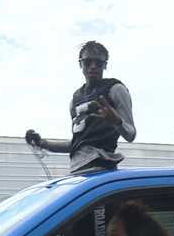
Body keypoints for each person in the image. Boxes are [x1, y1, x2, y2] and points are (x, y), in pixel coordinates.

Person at [25, 41, 136, 173]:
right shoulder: (75, 99)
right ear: (80, 64)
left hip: (101, 168)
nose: (93, 66)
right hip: (77, 171)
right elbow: (78, 144)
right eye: (88, 62)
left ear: (105, 65)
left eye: (98, 62)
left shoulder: (115, 89)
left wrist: (116, 122)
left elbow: (130, 134)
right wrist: (43, 143)